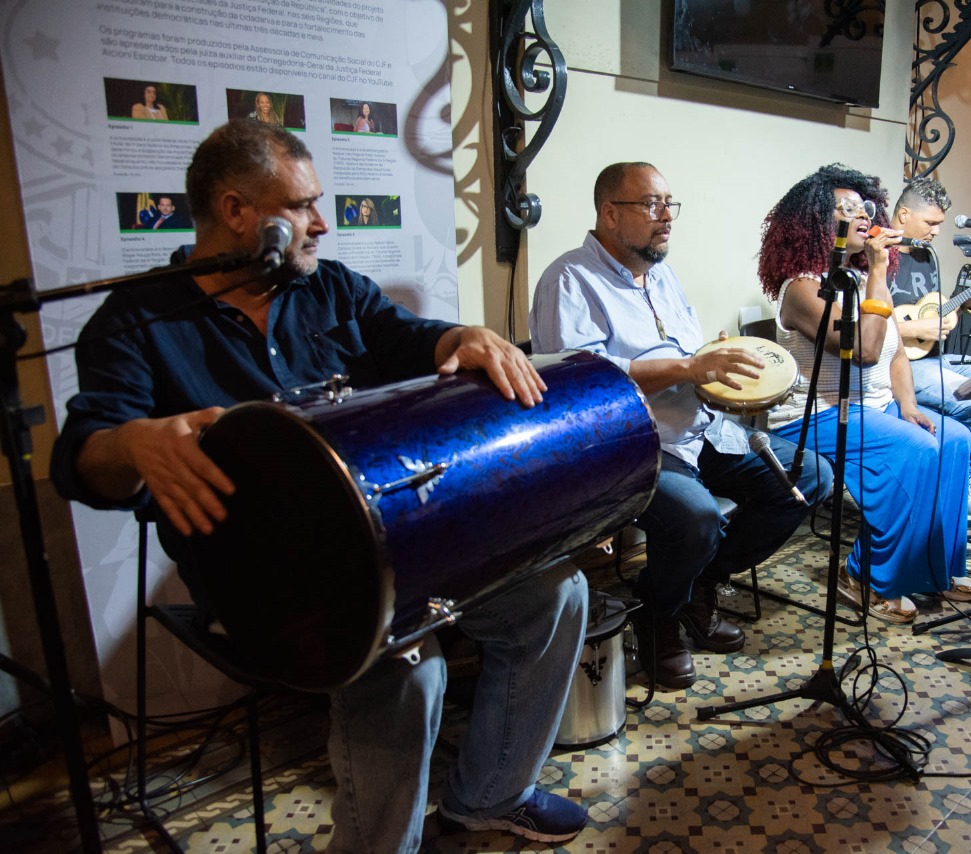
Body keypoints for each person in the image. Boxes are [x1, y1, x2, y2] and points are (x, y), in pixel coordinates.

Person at [49, 120, 589, 852]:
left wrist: (461, 338)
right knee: (405, 663)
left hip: (385, 538)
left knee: (555, 591)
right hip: (258, 579)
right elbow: (83, 456)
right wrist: (130, 443)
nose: (321, 223)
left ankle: (491, 794)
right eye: (302, 205)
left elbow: (404, 336)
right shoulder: (136, 323)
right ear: (238, 212)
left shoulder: (329, 289)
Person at [530, 162, 833, 687]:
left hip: (699, 426)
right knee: (695, 518)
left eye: (670, 203)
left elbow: (688, 355)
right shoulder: (569, 279)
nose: (666, 216)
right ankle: (658, 615)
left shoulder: (661, 273)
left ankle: (695, 586)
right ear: (609, 212)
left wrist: (713, 360)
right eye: (651, 205)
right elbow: (584, 383)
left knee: (809, 480)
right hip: (630, 444)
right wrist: (690, 368)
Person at [758, 164, 971, 625]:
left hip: (871, 407)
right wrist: (879, 269)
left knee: (953, 437)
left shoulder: (857, 281)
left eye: (864, 206)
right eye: (846, 208)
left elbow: (896, 351)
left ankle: (937, 566)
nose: (861, 215)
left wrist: (910, 405)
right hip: (813, 416)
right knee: (915, 449)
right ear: (819, 223)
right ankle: (864, 576)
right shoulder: (800, 289)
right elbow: (866, 350)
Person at [885, 177, 971, 518]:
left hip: (932, 356)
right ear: (903, 214)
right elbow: (863, 327)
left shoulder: (926, 257)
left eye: (939, 224)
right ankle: (954, 482)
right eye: (930, 222)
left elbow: (933, 313)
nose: (935, 232)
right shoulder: (876, 258)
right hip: (895, 363)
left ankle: (964, 472)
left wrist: (964, 304)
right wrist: (916, 327)